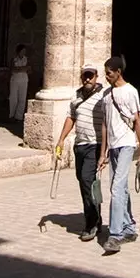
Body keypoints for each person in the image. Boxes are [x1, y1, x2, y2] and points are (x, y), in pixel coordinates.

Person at [98, 56, 140, 254]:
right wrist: (103, 152)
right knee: (119, 188)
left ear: (118, 72)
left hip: (126, 144)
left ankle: (115, 235)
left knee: (117, 188)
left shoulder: (130, 91)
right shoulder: (106, 95)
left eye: (109, 73)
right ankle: (129, 226)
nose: (106, 76)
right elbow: (104, 124)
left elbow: (137, 121)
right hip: (114, 146)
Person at [54, 61, 106, 241]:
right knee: (86, 183)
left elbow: (110, 120)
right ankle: (97, 217)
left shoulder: (103, 96)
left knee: (86, 181)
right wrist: (61, 140)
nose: (88, 78)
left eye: (91, 75)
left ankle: (91, 223)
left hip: (95, 144)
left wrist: (105, 151)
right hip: (80, 145)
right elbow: (71, 117)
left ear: (97, 76)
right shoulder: (77, 96)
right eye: (85, 75)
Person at [9, 43, 30, 123]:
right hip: (15, 80)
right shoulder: (14, 59)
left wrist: (20, 69)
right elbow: (13, 69)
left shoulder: (26, 59)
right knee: (13, 98)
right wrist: (23, 68)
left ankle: (19, 116)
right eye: (22, 51)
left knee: (22, 98)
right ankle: (12, 115)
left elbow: (29, 69)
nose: (23, 52)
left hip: (24, 80)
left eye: (24, 51)